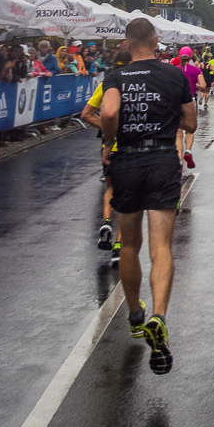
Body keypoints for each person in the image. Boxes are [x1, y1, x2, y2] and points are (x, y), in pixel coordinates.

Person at [100, 17, 197, 375]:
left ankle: (135, 314)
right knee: (161, 247)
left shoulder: (116, 77)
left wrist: (110, 141)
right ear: (156, 41)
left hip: (126, 161)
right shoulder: (174, 75)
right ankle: (159, 315)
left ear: (126, 44)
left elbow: (108, 110)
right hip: (161, 160)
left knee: (129, 245)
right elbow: (190, 124)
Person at [81, 49, 134, 266]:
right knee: (126, 197)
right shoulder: (136, 86)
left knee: (110, 189)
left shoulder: (107, 84)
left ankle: (105, 222)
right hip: (130, 144)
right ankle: (119, 246)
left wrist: (106, 128)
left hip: (108, 145)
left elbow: (85, 115)